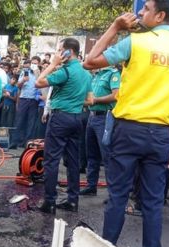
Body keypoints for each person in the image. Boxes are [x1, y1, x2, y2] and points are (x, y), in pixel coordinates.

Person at [84, 0, 169, 247]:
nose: (140, 13)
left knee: (118, 194)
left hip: (128, 130)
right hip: (161, 134)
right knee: (154, 197)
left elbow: (90, 61)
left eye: (145, 9)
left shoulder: (136, 43)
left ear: (159, 15)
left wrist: (115, 26)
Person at [35, 38, 93, 214]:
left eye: (60, 50)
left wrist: (53, 64)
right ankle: (72, 200)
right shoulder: (86, 73)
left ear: (68, 52)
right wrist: (74, 101)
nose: (57, 54)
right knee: (73, 161)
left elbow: (39, 82)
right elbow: (90, 100)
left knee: (51, 160)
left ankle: (50, 202)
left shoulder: (64, 72)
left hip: (60, 118)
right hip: (77, 118)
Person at [80, 66, 121, 196]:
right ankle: (91, 186)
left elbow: (116, 95)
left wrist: (95, 100)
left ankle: (113, 192)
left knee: (107, 155)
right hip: (92, 116)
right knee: (92, 154)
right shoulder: (96, 75)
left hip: (105, 117)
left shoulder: (113, 74)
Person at [11, 60, 39, 149]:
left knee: (31, 123)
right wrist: (23, 80)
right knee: (19, 121)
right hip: (23, 99)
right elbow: (18, 86)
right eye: (32, 64)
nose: (32, 65)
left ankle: (28, 144)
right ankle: (14, 142)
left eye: (35, 63)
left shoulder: (39, 73)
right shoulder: (24, 72)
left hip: (33, 100)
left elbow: (40, 84)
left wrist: (37, 73)